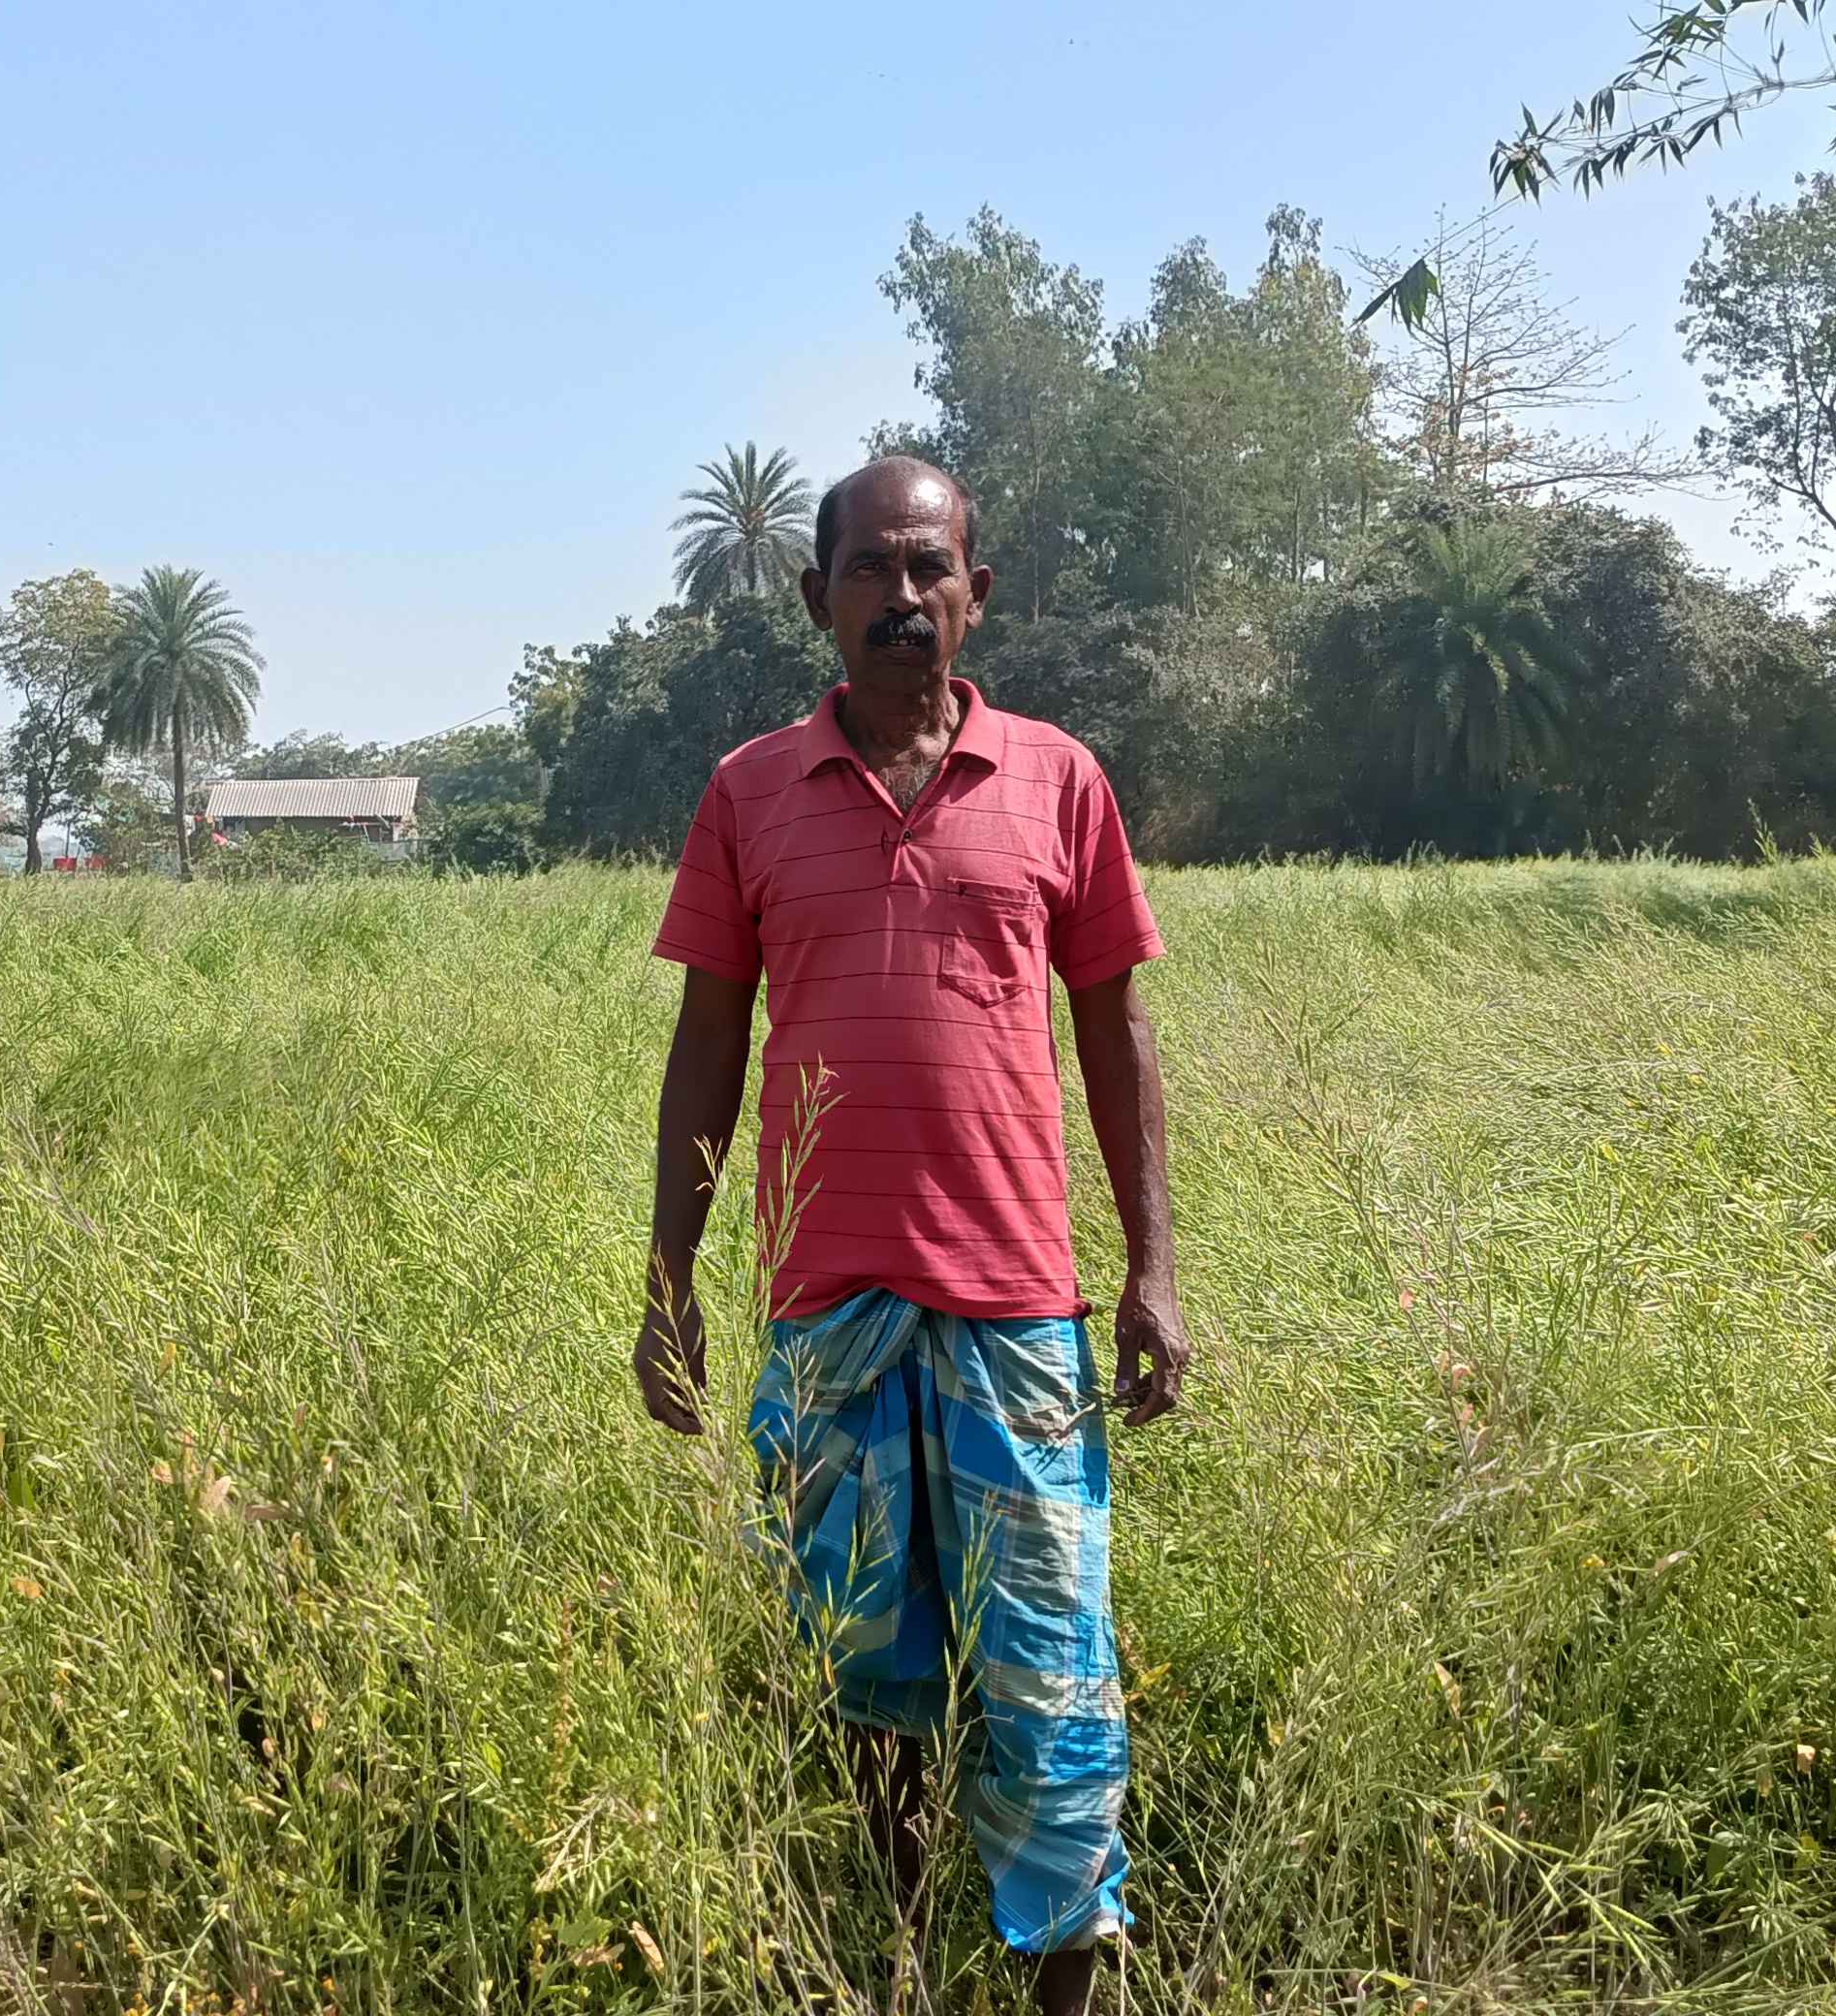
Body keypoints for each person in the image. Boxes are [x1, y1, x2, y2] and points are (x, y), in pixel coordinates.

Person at [633, 454, 1187, 2015]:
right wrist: (669, 1283)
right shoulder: (749, 793)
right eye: (870, 569)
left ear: (976, 594)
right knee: (866, 1675)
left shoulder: (1058, 780)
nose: (901, 595)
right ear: (817, 597)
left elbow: (1117, 1033)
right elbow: (707, 1047)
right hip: (828, 1314)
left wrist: (1151, 1271)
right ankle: (899, 1962)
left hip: (1018, 1309)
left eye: (929, 566)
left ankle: (1063, 1987)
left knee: (1052, 1679)